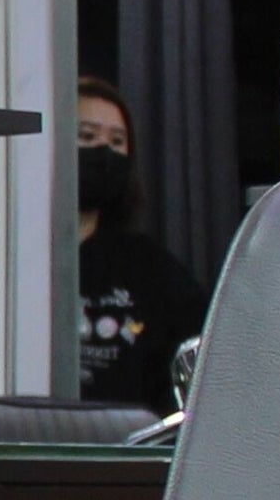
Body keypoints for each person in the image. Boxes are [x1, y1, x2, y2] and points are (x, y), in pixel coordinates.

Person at [73, 77, 207, 413]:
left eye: (117, 141)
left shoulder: (152, 271)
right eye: (87, 136)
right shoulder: (14, 260)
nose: (104, 150)